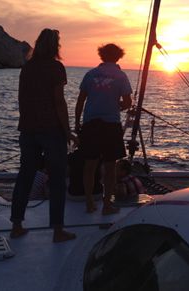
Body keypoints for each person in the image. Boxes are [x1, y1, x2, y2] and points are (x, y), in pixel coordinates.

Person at [10, 29, 77, 242]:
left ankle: (17, 225)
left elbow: (22, 98)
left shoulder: (27, 68)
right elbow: (59, 101)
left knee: (25, 176)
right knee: (57, 179)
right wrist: (68, 131)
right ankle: (57, 230)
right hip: (51, 130)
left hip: (28, 130)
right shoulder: (56, 68)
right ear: (55, 46)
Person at [75, 43, 132, 214]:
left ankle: (89, 203)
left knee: (89, 165)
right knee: (109, 167)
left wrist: (77, 123)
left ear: (101, 55)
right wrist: (117, 105)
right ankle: (107, 205)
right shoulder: (121, 76)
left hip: (91, 123)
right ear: (118, 56)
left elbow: (80, 100)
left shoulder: (90, 74)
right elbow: (128, 102)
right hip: (111, 124)